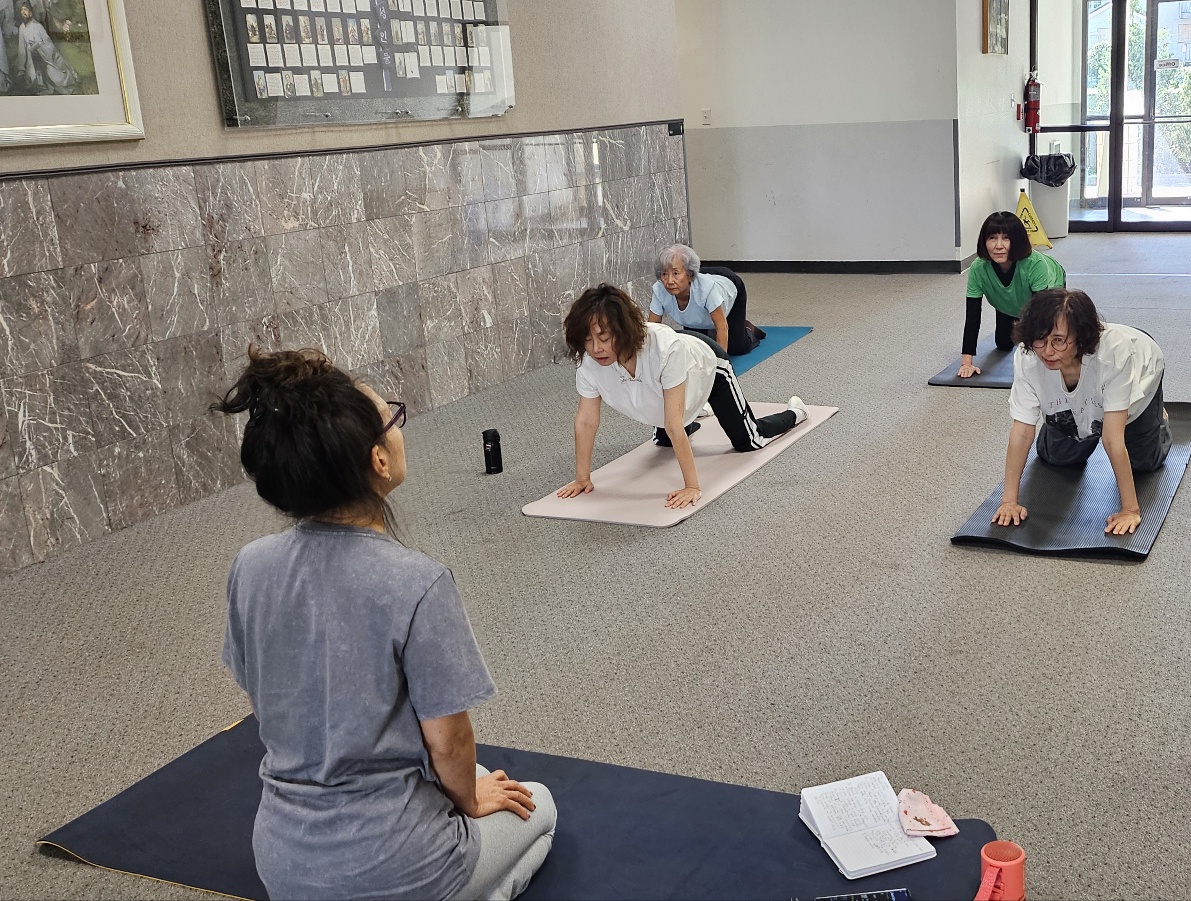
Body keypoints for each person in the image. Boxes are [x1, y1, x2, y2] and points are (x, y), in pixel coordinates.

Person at [213, 348, 557, 901]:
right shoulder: (417, 582)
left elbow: (265, 698)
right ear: (377, 460)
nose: (400, 429)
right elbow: (449, 742)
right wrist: (469, 802)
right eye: (392, 420)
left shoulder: (249, 565)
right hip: (401, 869)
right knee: (539, 807)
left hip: (283, 865)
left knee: (480, 775)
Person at [557, 284, 807, 509]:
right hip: (669, 380)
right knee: (665, 439)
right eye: (588, 340)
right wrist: (582, 478)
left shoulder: (665, 350)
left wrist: (692, 486)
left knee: (748, 441)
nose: (596, 348)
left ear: (623, 332)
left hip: (708, 362)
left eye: (604, 338)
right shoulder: (589, 361)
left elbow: (674, 423)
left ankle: (797, 412)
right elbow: (586, 420)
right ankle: (696, 409)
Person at [993, 288, 1171, 536]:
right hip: (1086, 396)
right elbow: (1022, 431)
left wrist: (1130, 509)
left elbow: (1112, 439)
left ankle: (1157, 416)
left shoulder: (1114, 354)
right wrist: (1009, 501)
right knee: (1057, 457)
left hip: (1140, 367)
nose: (1047, 351)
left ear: (1081, 336)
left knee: (1144, 463)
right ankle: (1072, 417)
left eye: (1058, 340)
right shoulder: (1029, 356)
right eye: (1040, 339)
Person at [956, 211, 1065, 378]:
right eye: (992, 238)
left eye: (1006, 238)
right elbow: (972, 316)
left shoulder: (1036, 264)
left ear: (1017, 240)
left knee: (1039, 341)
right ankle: (1010, 314)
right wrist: (966, 363)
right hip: (1007, 303)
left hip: (1047, 293)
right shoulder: (978, 268)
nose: (998, 245)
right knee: (1003, 344)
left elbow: (1041, 314)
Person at [648, 244, 766, 356]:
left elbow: (721, 327)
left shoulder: (707, 289)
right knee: (697, 348)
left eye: (675, 273)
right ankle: (719, 329)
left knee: (736, 348)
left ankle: (747, 329)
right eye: (664, 274)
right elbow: (652, 328)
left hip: (728, 282)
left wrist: (721, 364)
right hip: (696, 281)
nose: (669, 281)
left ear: (690, 274)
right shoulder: (659, 289)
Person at [16, 2, 80, 95]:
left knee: (54, 74)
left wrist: (36, 47)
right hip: (32, 56)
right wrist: (21, 67)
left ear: (31, 13)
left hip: (45, 53)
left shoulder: (37, 25)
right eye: (22, 10)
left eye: (25, 10)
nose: (23, 12)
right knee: (32, 76)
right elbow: (21, 47)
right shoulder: (22, 28)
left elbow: (45, 42)